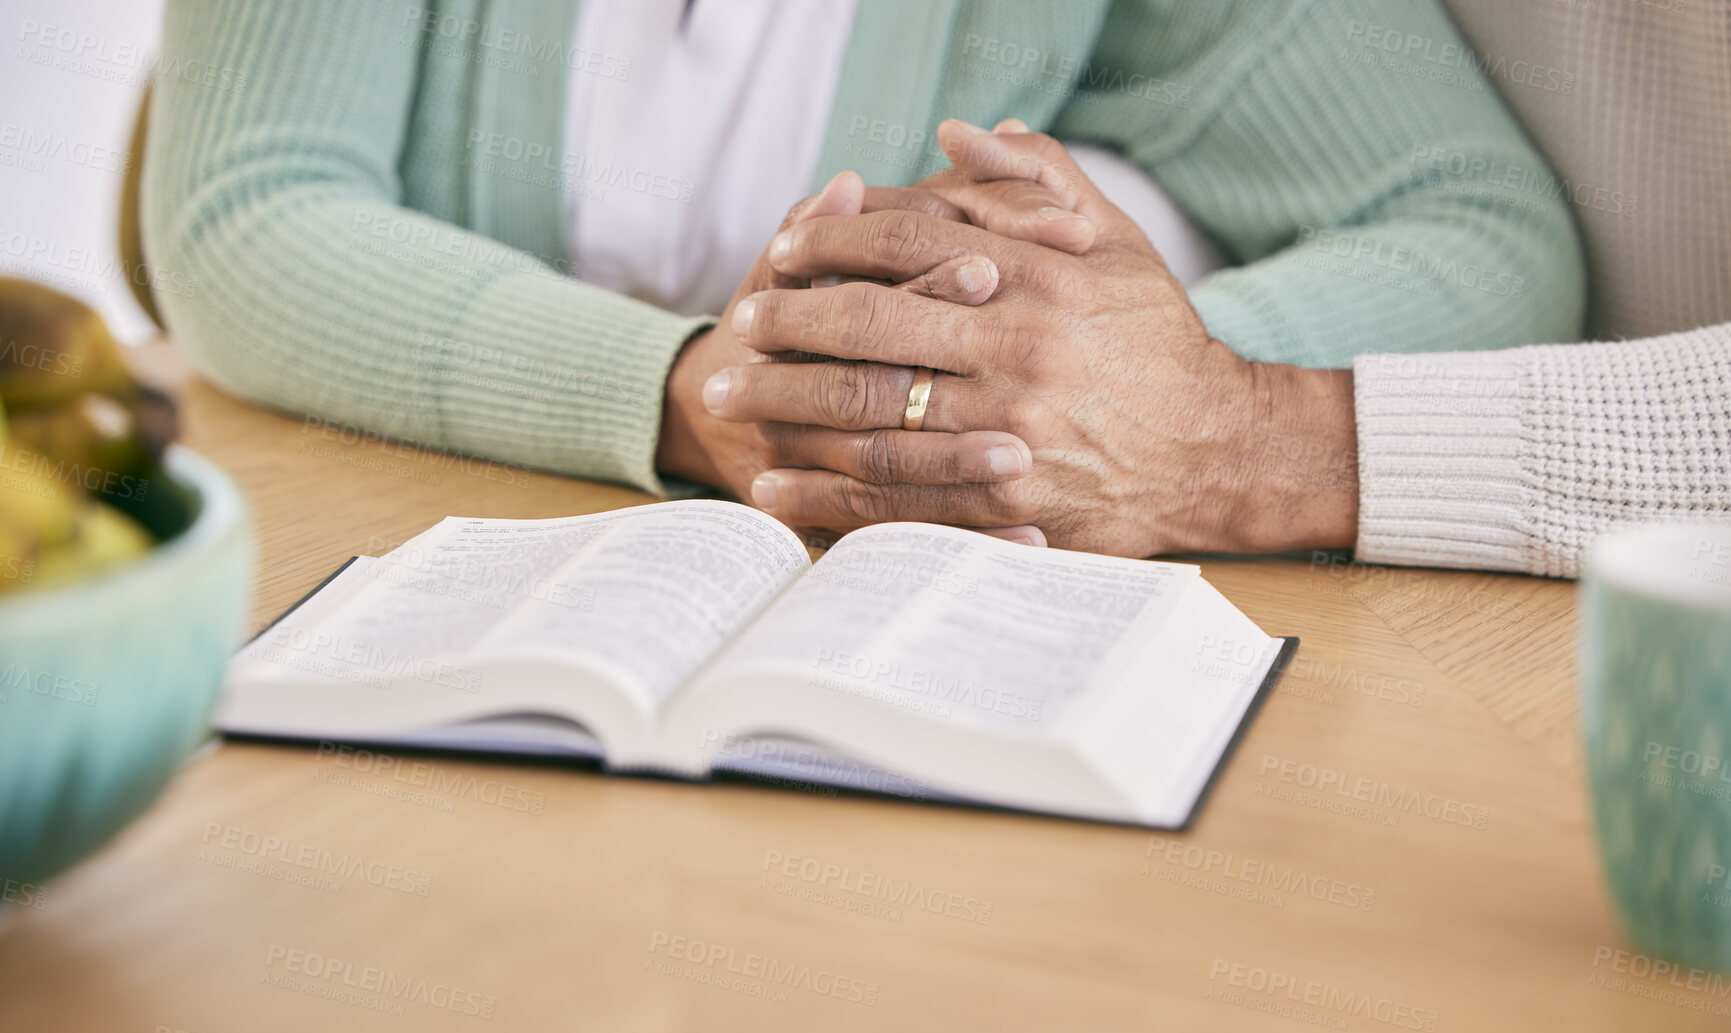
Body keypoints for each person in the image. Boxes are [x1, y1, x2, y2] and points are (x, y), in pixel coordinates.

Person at [143, 0, 1585, 557]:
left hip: (906, 627)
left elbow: (1472, 229)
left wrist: (1106, 408)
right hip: (407, 564)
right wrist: (690, 391)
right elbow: (247, 212)